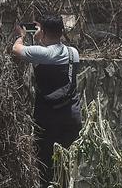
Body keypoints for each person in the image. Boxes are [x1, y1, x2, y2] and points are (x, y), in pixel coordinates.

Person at [10, 14, 82, 185]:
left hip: (48, 120)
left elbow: (16, 49)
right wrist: (42, 35)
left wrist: (21, 35)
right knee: (67, 165)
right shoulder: (74, 53)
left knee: (46, 167)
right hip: (71, 116)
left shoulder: (40, 54)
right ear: (61, 31)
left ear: (42, 31)